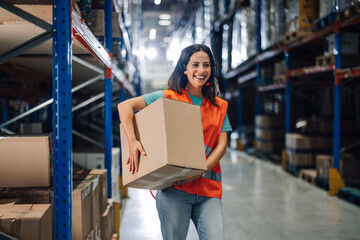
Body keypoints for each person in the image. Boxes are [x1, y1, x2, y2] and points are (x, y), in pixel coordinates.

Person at [117, 44, 232, 240]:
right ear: (184, 68)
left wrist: (200, 169)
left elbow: (222, 145)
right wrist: (133, 141)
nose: (201, 70)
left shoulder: (218, 105)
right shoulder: (169, 97)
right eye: (195, 64)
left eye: (206, 65)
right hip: (175, 190)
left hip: (208, 191)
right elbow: (125, 106)